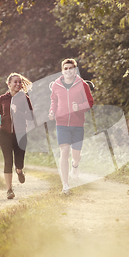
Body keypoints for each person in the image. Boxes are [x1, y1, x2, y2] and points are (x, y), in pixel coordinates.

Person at [48, 59, 94, 195]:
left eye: (71, 68)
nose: (68, 70)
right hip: (61, 123)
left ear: (75, 70)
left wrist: (78, 107)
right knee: (64, 151)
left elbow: (90, 102)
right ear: (62, 70)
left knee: (76, 155)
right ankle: (66, 186)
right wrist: (52, 111)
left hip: (77, 124)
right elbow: (54, 101)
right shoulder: (56, 85)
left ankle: (75, 166)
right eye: (65, 68)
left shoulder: (82, 85)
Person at [0, 73, 33, 199]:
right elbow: (0, 114)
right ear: (9, 84)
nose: (18, 84)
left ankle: (19, 171)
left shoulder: (25, 98)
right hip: (4, 133)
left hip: (20, 134)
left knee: (19, 162)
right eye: (15, 82)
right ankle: (9, 190)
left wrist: (18, 112)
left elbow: (31, 116)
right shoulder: (2, 99)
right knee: (8, 161)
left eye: (20, 82)